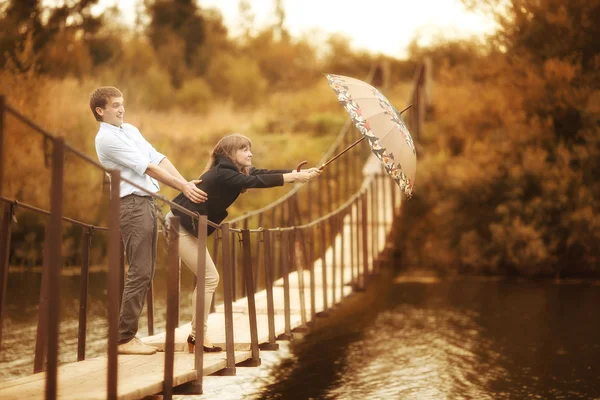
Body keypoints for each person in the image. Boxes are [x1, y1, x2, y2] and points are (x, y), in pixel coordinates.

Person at [166, 133, 320, 353]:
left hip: (187, 224)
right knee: (210, 277)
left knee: (209, 278)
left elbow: (261, 173)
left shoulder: (234, 170)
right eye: (244, 149)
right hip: (178, 226)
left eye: (250, 148)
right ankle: (196, 337)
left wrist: (296, 173)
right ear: (230, 153)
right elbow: (252, 182)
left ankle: (196, 336)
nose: (250, 153)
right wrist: (294, 179)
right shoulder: (222, 173)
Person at [91, 86, 208, 355]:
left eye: (122, 104)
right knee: (140, 270)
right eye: (115, 105)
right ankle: (123, 339)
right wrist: (183, 187)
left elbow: (158, 157)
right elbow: (147, 167)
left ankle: (127, 336)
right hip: (131, 205)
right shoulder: (106, 139)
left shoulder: (129, 130)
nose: (121, 109)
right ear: (100, 110)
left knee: (146, 270)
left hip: (146, 203)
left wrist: (183, 185)